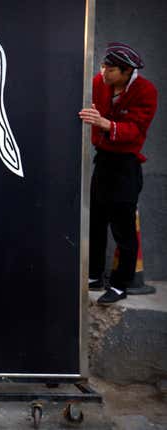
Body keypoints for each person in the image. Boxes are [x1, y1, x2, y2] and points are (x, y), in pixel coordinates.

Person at [79, 42, 158, 305]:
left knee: (123, 227)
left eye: (110, 69)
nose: (103, 72)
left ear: (126, 72)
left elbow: (136, 130)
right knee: (96, 220)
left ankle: (120, 284)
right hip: (103, 160)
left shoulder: (146, 91)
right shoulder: (98, 83)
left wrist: (105, 123)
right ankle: (94, 274)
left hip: (126, 164)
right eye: (103, 66)